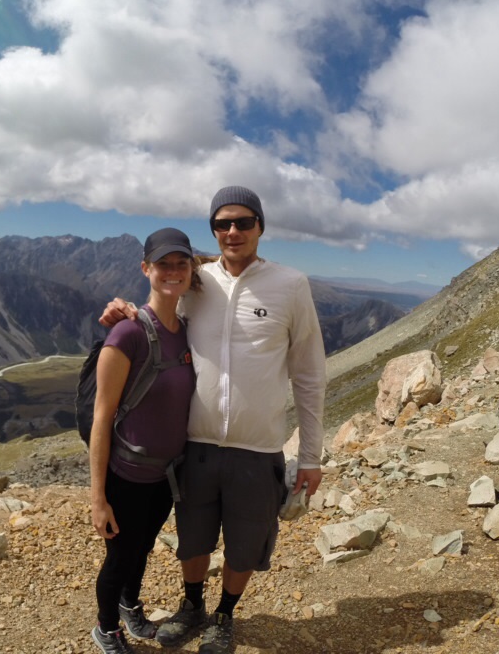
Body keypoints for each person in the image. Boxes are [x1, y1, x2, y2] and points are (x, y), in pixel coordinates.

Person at [100, 186, 326, 654]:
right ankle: (192, 606)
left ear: (261, 226)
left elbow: (308, 374)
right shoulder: (196, 280)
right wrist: (124, 312)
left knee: (246, 543)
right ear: (213, 231)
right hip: (196, 445)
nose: (233, 231)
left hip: (258, 446)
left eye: (244, 221)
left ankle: (224, 615)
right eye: (222, 224)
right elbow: (160, 311)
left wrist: (310, 455)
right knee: (194, 539)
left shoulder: (290, 285)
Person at [89, 227, 200, 654]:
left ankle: (129, 605)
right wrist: (98, 498)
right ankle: (106, 630)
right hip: (127, 476)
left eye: (181, 264)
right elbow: (102, 418)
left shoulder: (187, 330)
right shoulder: (128, 334)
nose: (172, 271)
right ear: (145, 269)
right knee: (120, 557)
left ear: (191, 268)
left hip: (165, 477)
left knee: (143, 548)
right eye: (162, 264)